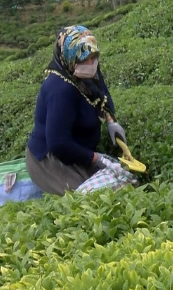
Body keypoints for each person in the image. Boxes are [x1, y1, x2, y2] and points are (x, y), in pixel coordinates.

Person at [25, 25, 127, 195]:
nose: (90, 64)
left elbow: (101, 92)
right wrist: (96, 158)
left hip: (78, 151)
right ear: (69, 58)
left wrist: (110, 121)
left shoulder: (87, 70)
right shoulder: (59, 89)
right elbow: (59, 143)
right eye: (84, 60)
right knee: (89, 200)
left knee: (119, 185)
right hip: (52, 160)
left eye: (93, 57)